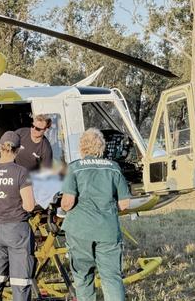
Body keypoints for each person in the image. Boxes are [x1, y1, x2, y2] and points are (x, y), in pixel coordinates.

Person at [60, 128, 131, 301]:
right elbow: (124, 204)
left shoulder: (74, 168)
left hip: (80, 231)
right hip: (107, 230)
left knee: (83, 277)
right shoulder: (114, 168)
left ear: (82, 147)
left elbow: (68, 203)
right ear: (102, 147)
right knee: (112, 278)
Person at [0, 131, 36, 301]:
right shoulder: (21, 172)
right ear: (18, 150)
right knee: (20, 283)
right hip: (17, 230)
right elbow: (29, 205)